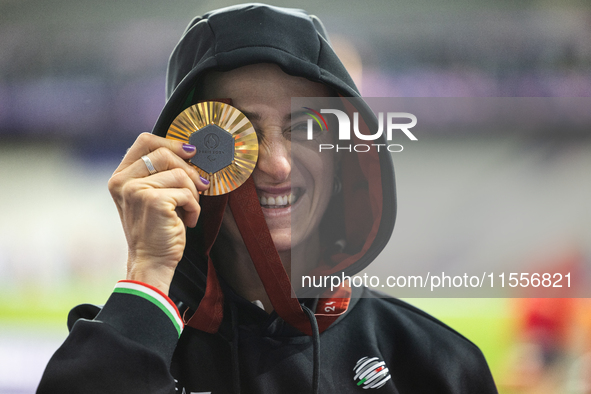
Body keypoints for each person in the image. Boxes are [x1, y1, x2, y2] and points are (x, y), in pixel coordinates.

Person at [37, 4, 498, 393]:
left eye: (304, 127)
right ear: (185, 148)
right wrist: (150, 273)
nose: (276, 164)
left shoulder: (439, 365)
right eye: (238, 131)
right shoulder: (123, 350)